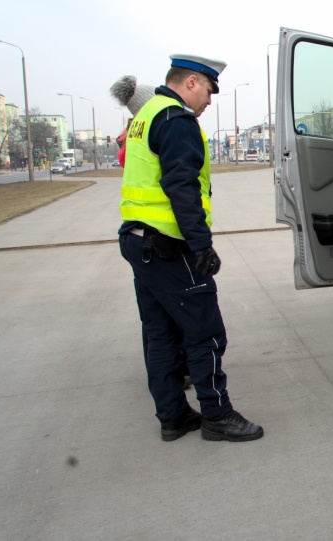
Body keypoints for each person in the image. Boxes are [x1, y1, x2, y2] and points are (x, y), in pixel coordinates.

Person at [116, 54, 263, 443]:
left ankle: (173, 417)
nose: (210, 101)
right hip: (168, 246)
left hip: (138, 241)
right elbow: (180, 187)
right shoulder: (177, 120)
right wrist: (202, 245)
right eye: (210, 91)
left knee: (161, 333)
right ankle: (217, 416)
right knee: (205, 334)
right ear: (193, 82)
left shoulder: (146, 116)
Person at [111, 76, 192, 391]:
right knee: (177, 315)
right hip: (162, 238)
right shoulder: (155, 133)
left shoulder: (133, 136)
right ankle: (176, 372)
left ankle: (166, 382)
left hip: (138, 235)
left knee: (156, 320)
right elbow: (178, 185)